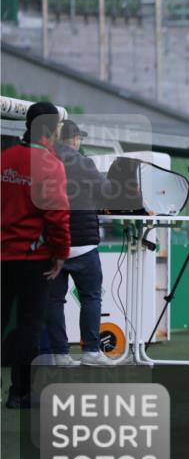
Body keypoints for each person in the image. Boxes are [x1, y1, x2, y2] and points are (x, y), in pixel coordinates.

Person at [1, 102, 70, 408]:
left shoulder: (4, 159)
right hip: (33, 260)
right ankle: (21, 393)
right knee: (29, 327)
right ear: (51, 130)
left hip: (3, 256)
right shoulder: (51, 165)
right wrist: (60, 254)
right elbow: (57, 216)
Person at [44, 120, 117, 367]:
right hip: (83, 244)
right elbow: (106, 192)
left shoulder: (45, 161)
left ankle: (60, 354)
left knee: (54, 300)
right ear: (75, 140)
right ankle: (91, 352)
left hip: (52, 243)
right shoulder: (84, 162)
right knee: (91, 297)